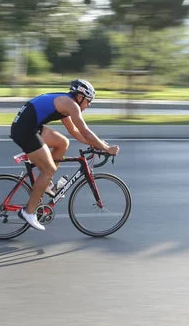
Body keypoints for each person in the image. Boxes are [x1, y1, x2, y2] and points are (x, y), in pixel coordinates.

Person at [10, 79, 120, 231]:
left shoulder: (65, 103)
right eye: (89, 101)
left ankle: (46, 184)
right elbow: (86, 132)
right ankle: (28, 212)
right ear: (80, 97)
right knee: (49, 169)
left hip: (29, 127)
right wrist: (107, 148)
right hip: (25, 131)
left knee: (63, 143)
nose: (89, 105)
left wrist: (98, 145)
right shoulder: (71, 105)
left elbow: (75, 132)